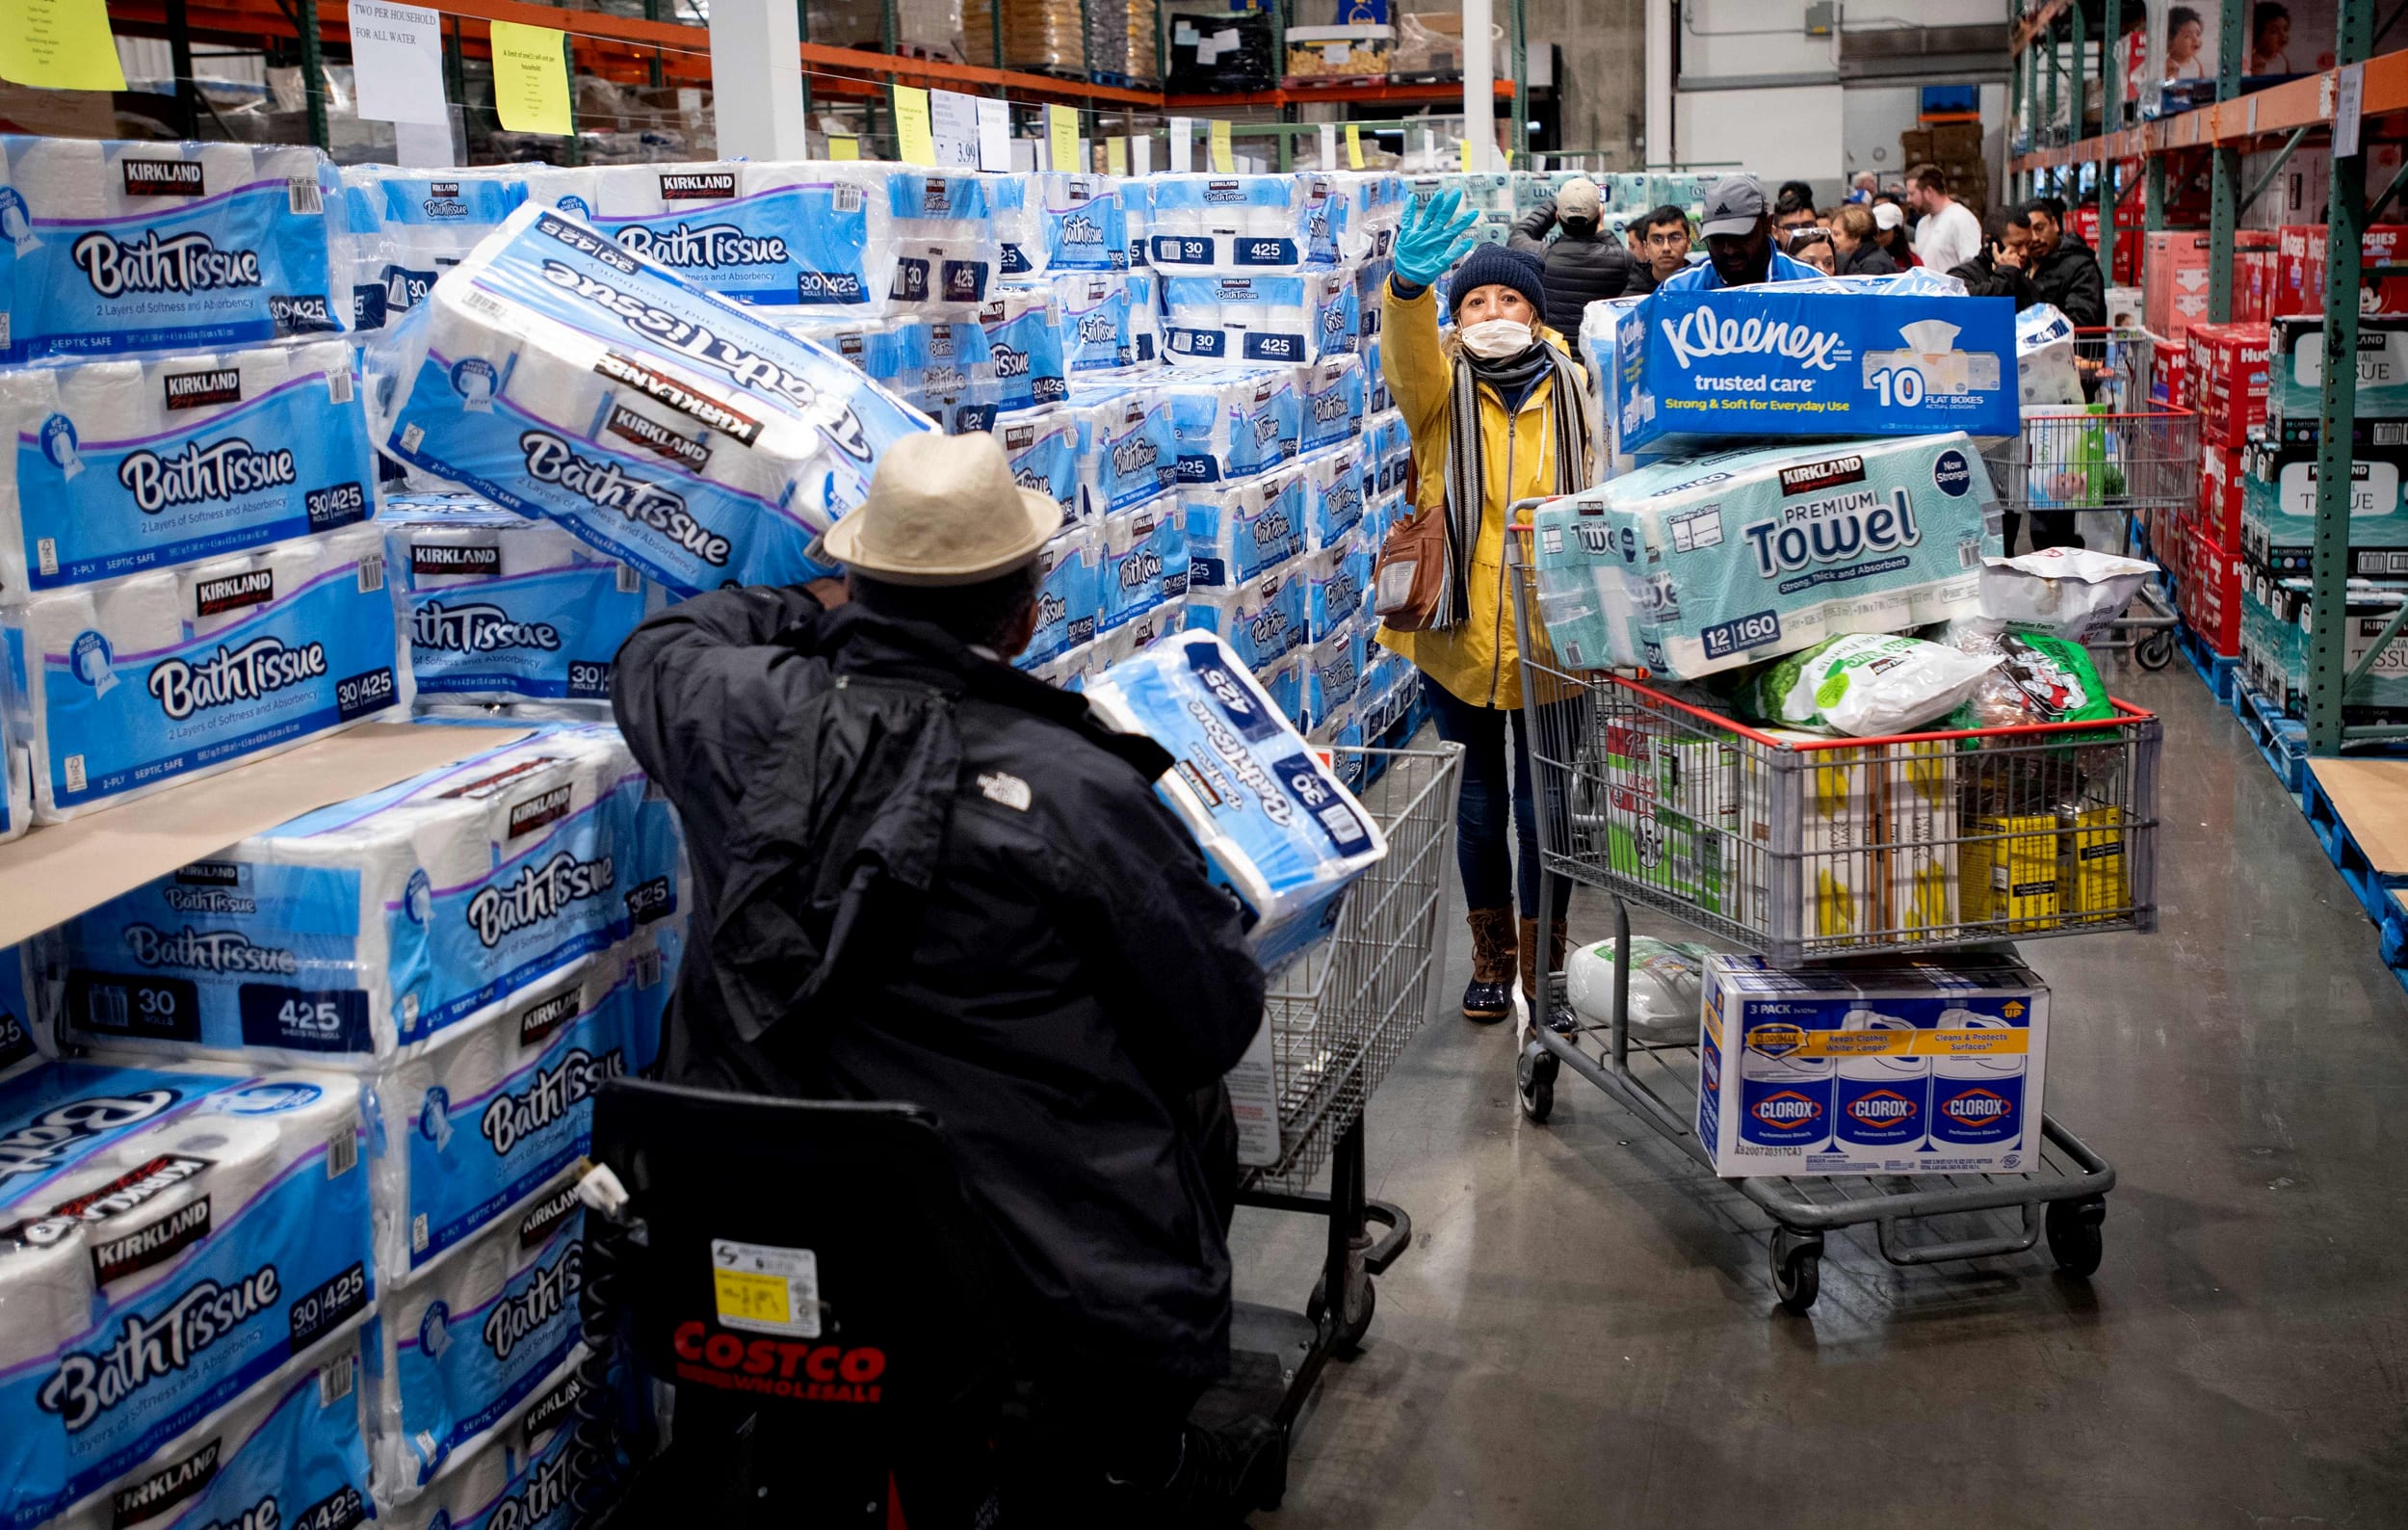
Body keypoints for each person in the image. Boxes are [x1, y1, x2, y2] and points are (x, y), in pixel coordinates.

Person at [612, 430, 1284, 1521]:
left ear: (859, 583)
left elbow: (660, 647)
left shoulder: (728, 714)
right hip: (1016, 1256)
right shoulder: (1075, 790)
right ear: (1023, 615)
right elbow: (1212, 1018)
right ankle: (1133, 1449)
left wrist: (813, 607)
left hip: (762, 1212)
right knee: (1193, 1107)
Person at [1377, 191, 1593, 1031]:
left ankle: (1545, 967)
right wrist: (1407, 291)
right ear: (1457, 319)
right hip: (1458, 635)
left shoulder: (1576, 384)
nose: (1493, 312)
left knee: (1549, 813)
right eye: (1475, 301)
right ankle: (1491, 957)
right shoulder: (1438, 392)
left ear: (1537, 314)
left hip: (1557, 637)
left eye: (1509, 300)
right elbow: (1406, 359)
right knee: (1478, 808)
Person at [1507, 174, 1632, 349]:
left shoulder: (1540, 256)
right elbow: (1617, 252)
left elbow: (1520, 233)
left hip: (1554, 360)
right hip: (1596, 361)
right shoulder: (1620, 260)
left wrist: (1557, 203)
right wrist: (1602, 230)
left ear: (1558, 217)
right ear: (1600, 215)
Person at [1659, 173, 1820, 292]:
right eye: (1717, 239)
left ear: (1767, 225)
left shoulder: (1812, 286)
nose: (1729, 249)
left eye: (1740, 236)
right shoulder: (1677, 291)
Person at [2022, 196, 2107, 327]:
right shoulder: (2022, 269)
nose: (2034, 238)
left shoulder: (2081, 268)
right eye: (2027, 233)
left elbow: (2082, 319)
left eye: (2039, 228)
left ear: (2055, 224)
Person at [1948, 212, 2043, 308]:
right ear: (1989, 242)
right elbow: (1967, 305)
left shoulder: (2024, 282)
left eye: (2027, 245)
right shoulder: (1960, 275)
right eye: (2017, 245)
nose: (2024, 253)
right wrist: (2006, 275)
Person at [1907, 163, 1982, 276]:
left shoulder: (1961, 219)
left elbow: (1973, 267)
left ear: (1928, 191)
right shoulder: (1922, 224)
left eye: (1912, 194)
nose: (1908, 199)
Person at [1623, 203, 1693, 295]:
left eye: (1675, 238)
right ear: (1646, 247)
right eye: (1657, 240)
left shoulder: (1704, 289)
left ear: (1688, 243)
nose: (1666, 248)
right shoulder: (1630, 299)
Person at [1829, 203, 1897, 276]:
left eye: (1836, 234)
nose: (1832, 239)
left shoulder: (1872, 266)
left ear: (1855, 237)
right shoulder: (1871, 257)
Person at [1871, 196, 1920, 267]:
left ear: (1897, 231)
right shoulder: (1862, 259)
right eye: (1874, 231)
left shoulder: (1913, 261)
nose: (1877, 237)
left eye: (1883, 231)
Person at [2165, 6, 2209, 80]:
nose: (2196, 40)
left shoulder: (2196, 62)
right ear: (2170, 41)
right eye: (2188, 36)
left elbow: (2202, 81)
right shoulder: (2170, 65)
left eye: (2198, 34)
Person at [2248, 2, 2292, 73]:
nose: (2283, 35)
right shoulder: (2257, 62)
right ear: (2257, 38)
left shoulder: (2282, 59)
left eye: (2285, 29)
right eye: (2273, 32)